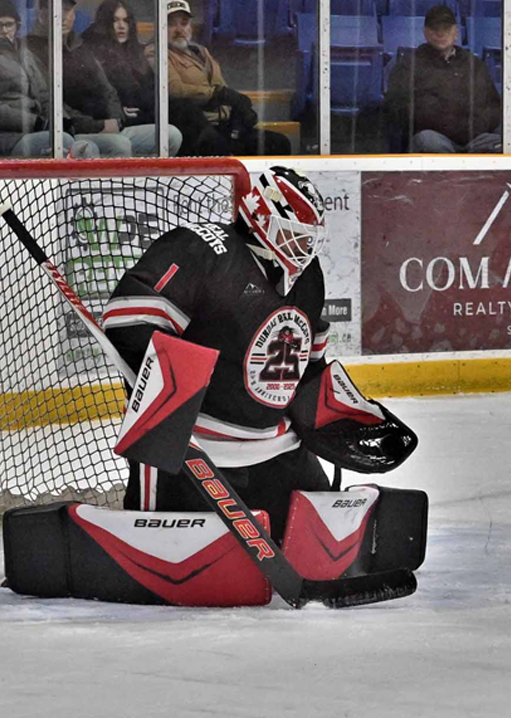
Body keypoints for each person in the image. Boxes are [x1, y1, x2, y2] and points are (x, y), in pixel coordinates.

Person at [104, 168, 337, 540]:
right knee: (176, 542)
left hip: (276, 445)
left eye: (309, 240)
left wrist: (329, 417)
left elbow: (307, 360)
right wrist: (178, 393)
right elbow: (128, 320)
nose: (304, 250)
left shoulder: (309, 276)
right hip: (197, 447)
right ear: (262, 218)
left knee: (320, 538)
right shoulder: (203, 249)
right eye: (295, 236)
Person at [28, 0, 180, 157]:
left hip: (109, 126)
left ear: (74, 15)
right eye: (57, 11)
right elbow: (52, 104)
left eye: (67, 11)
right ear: (41, 15)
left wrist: (116, 119)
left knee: (170, 135)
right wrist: (97, 126)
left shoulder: (80, 46)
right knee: (119, 145)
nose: (63, 17)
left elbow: (108, 89)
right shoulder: (33, 50)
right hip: (76, 132)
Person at [0, 0, 98, 157]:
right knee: (64, 143)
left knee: (100, 146)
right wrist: (37, 123)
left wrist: (64, 122)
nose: (4, 30)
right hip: (2, 137)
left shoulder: (25, 53)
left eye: (9, 24)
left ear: (17, 26)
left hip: (38, 130)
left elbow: (45, 96)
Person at [383, 4, 511, 153]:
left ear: (456, 32)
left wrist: (476, 126)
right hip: (436, 138)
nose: (440, 34)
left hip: (476, 139)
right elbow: (399, 111)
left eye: (446, 29)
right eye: (435, 29)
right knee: (428, 141)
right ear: (426, 32)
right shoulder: (408, 66)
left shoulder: (473, 64)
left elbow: (493, 107)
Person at [161, 0, 291, 156]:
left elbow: (221, 86)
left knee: (278, 143)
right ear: (160, 27)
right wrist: (217, 95)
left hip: (224, 125)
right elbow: (174, 89)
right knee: (217, 144)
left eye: (184, 23)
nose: (179, 29)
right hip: (196, 130)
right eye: (171, 24)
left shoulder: (201, 52)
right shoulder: (157, 53)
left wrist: (239, 110)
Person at [82, 0, 191, 155]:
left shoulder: (136, 50)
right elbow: (94, 95)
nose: (121, 26)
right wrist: (118, 112)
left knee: (185, 112)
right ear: (104, 23)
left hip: (143, 114)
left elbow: (152, 89)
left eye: (126, 21)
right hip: (116, 121)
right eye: (115, 20)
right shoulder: (91, 51)